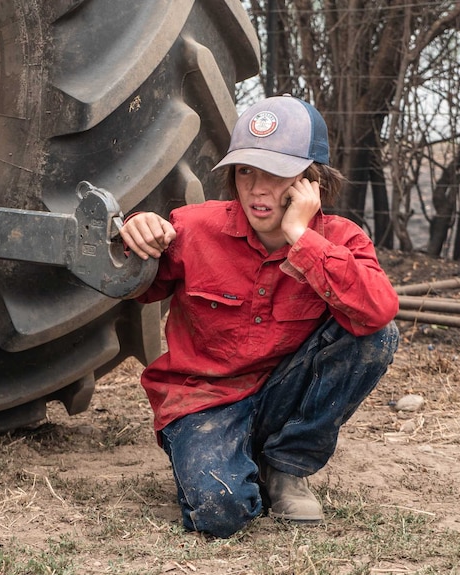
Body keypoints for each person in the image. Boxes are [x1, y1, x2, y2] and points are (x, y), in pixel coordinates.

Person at [119, 95, 400, 538]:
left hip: (279, 398)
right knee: (221, 513)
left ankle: (287, 466)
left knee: (374, 335)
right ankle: (227, 459)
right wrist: (135, 230)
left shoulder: (341, 238)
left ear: (312, 181)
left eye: (275, 172)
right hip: (204, 402)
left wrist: (300, 237)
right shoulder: (192, 228)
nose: (255, 188)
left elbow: (379, 311)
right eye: (246, 170)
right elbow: (134, 284)